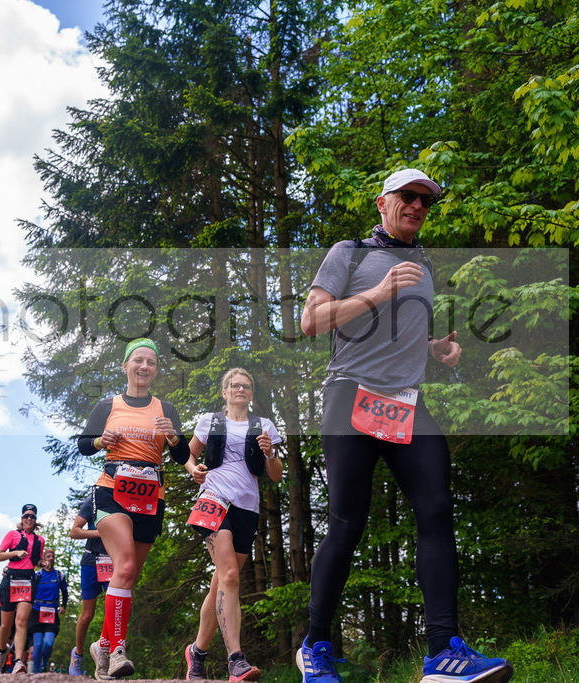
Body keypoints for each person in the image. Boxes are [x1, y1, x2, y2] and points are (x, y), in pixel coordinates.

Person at [298, 168, 512, 683]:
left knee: (437, 510)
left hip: (405, 402)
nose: (417, 206)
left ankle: (443, 653)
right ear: (382, 203)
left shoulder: (424, 264)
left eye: (426, 201)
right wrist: (380, 290)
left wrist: (434, 348)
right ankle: (317, 644)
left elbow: (398, 334)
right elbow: (311, 321)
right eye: (408, 197)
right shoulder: (348, 253)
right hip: (351, 394)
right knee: (348, 521)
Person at [78, 337, 190, 679]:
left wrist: (173, 438)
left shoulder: (166, 409)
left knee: (129, 576)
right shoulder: (107, 405)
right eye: (138, 360)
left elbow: (183, 455)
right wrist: (100, 441)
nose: (144, 366)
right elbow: (84, 445)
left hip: (149, 496)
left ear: (156, 370)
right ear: (125, 366)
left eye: (151, 362)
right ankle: (117, 650)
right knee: (124, 565)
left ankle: (102, 643)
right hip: (111, 489)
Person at [182, 368, 283, 682]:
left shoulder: (263, 425)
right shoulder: (209, 421)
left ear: (251, 394)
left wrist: (270, 453)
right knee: (228, 574)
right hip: (213, 496)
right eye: (235, 385)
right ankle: (235, 660)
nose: (241, 389)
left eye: (246, 386)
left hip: (246, 506)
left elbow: (276, 474)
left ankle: (197, 652)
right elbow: (188, 455)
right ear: (224, 392)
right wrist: (193, 470)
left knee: (222, 581)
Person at [0, 504, 46, 674]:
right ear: (22, 519)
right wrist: (14, 553)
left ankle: (18, 661)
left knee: (21, 621)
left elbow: (35, 561)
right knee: (5, 626)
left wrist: (42, 563)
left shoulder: (40, 540)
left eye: (32, 516)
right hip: (11, 579)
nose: (29, 519)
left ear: (35, 520)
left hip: (28, 579)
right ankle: (2, 649)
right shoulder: (12, 535)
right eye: (26, 516)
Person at [67, 489, 111, 676]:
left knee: (113, 607)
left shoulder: (126, 499)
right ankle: (77, 654)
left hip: (114, 560)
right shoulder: (93, 500)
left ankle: (105, 653)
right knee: (87, 614)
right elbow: (74, 531)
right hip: (91, 561)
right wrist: (99, 533)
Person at [28, 548, 69, 673]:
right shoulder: (37, 575)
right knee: (38, 644)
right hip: (37, 610)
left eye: (53, 556)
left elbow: (65, 592)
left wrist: (63, 606)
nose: (51, 558)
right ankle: (36, 673)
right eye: (48, 556)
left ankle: (43, 664)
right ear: (44, 559)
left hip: (52, 612)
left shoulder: (59, 575)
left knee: (49, 643)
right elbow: (31, 591)